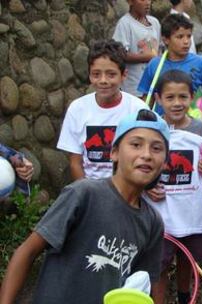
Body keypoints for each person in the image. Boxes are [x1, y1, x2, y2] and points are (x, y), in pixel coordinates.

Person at [0, 109, 169, 304]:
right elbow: (27, 252)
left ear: (165, 162)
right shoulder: (84, 194)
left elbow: (148, 284)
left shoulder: (153, 222)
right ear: (114, 152)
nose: (146, 155)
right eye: (136, 144)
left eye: (156, 148)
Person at [144, 70, 202, 304]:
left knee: (187, 259)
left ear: (191, 97)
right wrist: (146, 187)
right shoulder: (150, 129)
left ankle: (185, 297)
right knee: (159, 264)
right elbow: (139, 165)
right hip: (160, 213)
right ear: (158, 98)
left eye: (183, 97)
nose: (177, 103)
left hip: (191, 210)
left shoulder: (200, 128)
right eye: (170, 97)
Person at [57, 39, 149, 180]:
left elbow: (145, 157)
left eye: (111, 74)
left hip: (129, 190)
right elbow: (75, 163)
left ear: (124, 75)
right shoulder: (77, 109)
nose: (103, 80)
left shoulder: (138, 109)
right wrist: (87, 195)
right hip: (91, 190)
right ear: (89, 75)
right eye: (96, 74)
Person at [138, 13, 202, 113]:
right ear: (166, 40)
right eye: (180, 37)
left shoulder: (201, 63)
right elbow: (147, 100)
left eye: (189, 36)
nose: (186, 41)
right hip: (163, 125)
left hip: (192, 126)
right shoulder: (154, 65)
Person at [112, 0, 161, 97]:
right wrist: (147, 57)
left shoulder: (154, 23)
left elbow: (159, 49)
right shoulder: (125, 23)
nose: (147, 3)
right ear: (130, 2)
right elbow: (119, 54)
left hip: (154, 83)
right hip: (134, 87)